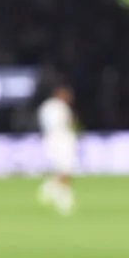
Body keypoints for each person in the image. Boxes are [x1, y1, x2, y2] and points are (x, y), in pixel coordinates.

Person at [36, 85, 78, 215]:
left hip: (50, 139)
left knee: (62, 170)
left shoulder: (46, 106)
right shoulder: (61, 107)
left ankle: (56, 193)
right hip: (61, 139)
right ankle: (52, 192)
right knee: (65, 170)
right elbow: (66, 124)